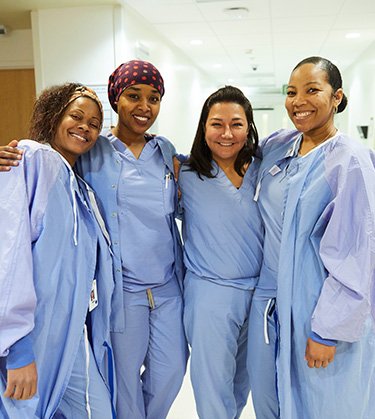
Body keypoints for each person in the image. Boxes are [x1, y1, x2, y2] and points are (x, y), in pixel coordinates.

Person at [0, 60, 188, 419]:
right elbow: (12, 233)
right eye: (134, 96)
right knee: (120, 385)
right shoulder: (71, 154)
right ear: (118, 99)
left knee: (171, 372)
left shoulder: (165, 153)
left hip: (161, 289)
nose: (144, 106)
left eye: (153, 98)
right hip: (118, 295)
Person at [247, 56, 375, 419]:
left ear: (337, 98)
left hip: (320, 308)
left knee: (326, 404)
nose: (298, 101)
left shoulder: (348, 160)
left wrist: (327, 331)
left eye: (312, 90)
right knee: (281, 400)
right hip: (279, 302)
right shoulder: (282, 146)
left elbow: (357, 253)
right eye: (291, 92)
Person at [0, 83, 115, 418]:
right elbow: (9, 255)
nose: (85, 127)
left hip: (69, 332)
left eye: (94, 124)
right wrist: (18, 349)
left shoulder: (80, 188)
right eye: (76, 116)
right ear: (54, 117)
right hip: (28, 335)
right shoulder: (31, 159)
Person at [178, 86, 263, 418]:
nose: (227, 133)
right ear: (203, 127)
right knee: (213, 387)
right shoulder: (185, 173)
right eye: (217, 124)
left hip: (258, 292)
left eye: (237, 124)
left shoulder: (264, 168)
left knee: (243, 384)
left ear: (249, 127)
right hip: (210, 294)